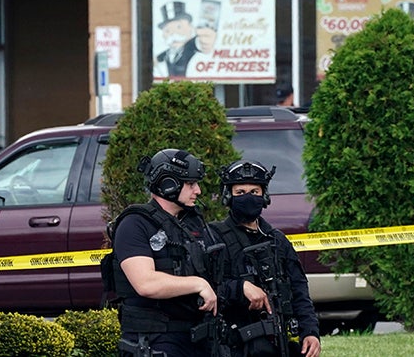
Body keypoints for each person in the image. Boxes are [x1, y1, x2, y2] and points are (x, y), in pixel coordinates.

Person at [108, 149, 224, 357]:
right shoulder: (134, 224)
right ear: (168, 184)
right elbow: (146, 284)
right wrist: (198, 284)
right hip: (155, 340)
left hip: (196, 338)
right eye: (190, 184)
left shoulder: (192, 225)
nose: (197, 190)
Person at [211, 160, 321, 357]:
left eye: (254, 192)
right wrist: (240, 288)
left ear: (264, 196)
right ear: (229, 196)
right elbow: (206, 288)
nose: (247, 197)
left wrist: (310, 332)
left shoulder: (277, 240)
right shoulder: (214, 237)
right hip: (234, 345)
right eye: (240, 192)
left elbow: (299, 290)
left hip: (278, 343)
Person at [154, 1, 217, 79]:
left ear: (190, 28)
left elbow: (200, 43)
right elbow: (158, 58)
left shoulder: (190, 46)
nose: (173, 34)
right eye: (167, 30)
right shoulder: (168, 53)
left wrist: (206, 39)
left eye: (179, 27)